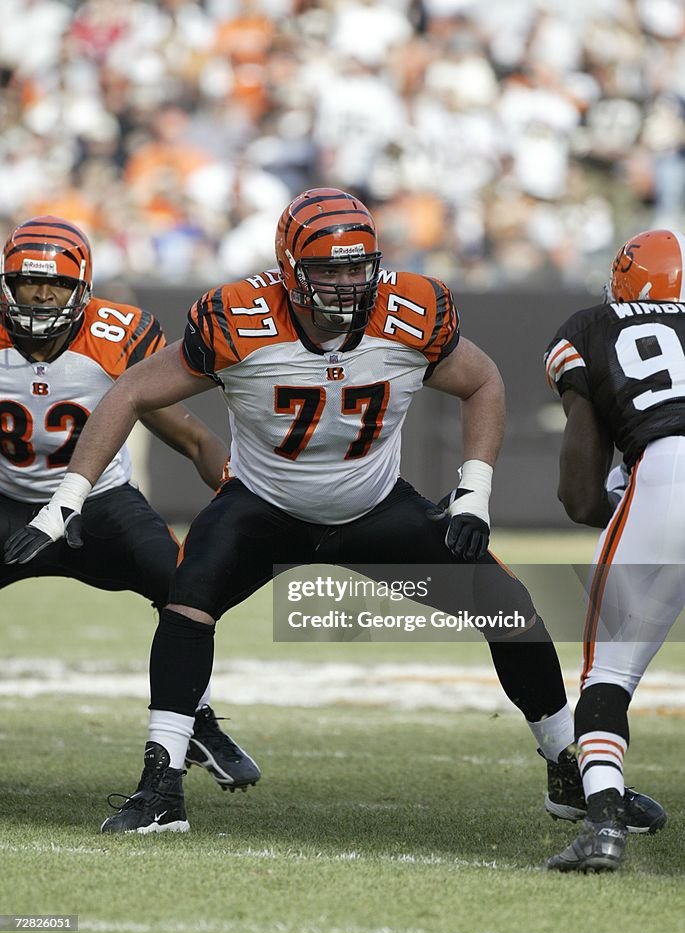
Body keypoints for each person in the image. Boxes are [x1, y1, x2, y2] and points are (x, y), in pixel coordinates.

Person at [4, 190, 661, 837]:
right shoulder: (240, 319)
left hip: (373, 505)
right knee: (185, 604)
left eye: (357, 266)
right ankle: (162, 785)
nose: (347, 283)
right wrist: (65, 502)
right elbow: (133, 390)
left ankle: (565, 767)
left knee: (508, 610)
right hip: (262, 507)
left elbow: (481, 381)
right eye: (328, 269)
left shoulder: (409, 312)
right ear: (290, 269)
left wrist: (473, 492)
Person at [0, 215, 260, 797]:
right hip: (9, 501)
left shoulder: (115, 335)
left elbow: (190, 434)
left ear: (84, 290)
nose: (42, 294)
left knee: (186, 587)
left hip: (100, 503)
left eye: (59, 284)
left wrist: (236, 497)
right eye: (28, 281)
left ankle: (195, 720)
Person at [543, 227, 685, 871]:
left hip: (666, 475)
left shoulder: (591, 324)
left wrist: (607, 509)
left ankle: (602, 820)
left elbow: (579, 490)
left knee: (609, 673)